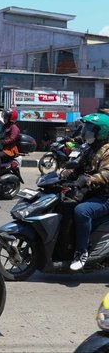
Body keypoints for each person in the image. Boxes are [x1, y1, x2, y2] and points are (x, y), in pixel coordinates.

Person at [69, 113, 109, 271]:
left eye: (91, 128)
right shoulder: (92, 148)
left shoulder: (107, 151)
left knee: (81, 211)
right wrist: (65, 174)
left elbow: (106, 174)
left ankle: (81, 252)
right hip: (92, 193)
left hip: (105, 196)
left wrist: (87, 180)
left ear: (102, 131)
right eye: (87, 128)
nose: (87, 131)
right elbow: (79, 167)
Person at [0, 108, 20, 182]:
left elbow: (12, 139)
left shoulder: (14, 128)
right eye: (4, 117)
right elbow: (0, 135)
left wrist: (0, 141)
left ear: (11, 118)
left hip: (9, 150)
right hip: (2, 147)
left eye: (6, 117)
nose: (4, 118)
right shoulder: (5, 126)